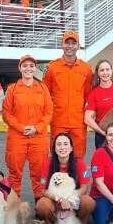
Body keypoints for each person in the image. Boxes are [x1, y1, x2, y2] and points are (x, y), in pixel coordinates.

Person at [2, 54, 53, 200]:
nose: (28, 69)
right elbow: (6, 113)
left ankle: (40, 208)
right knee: (15, 175)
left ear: (35, 68)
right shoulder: (13, 89)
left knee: (39, 175)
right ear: (19, 68)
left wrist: (37, 127)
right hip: (17, 137)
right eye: (25, 66)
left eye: (31, 66)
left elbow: (49, 112)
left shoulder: (43, 88)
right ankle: (14, 207)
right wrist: (21, 127)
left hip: (38, 137)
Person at [43, 31, 93, 159]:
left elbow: (88, 96)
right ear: (62, 45)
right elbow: (45, 94)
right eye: (67, 43)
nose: (70, 46)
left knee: (78, 157)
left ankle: (76, 180)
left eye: (73, 43)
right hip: (58, 121)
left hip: (78, 122)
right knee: (57, 156)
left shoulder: (86, 69)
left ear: (78, 46)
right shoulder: (52, 68)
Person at [35, 132, 96, 224]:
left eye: (65, 144)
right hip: (55, 201)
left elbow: (84, 188)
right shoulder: (48, 163)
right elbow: (43, 189)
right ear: (54, 148)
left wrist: (69, 199)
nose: (62, 147)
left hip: (73, 201)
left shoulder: (80, 163)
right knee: (42, 204)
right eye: (59, 144)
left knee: (88, 201)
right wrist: (60, 199)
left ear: (71, 148)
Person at [85, 59, 113, 148]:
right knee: (103, 161)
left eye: (107, 69)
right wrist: (103, 133)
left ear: (111, 71)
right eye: (102, 70)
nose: (105, 73)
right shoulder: (94, 93)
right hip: (102, 136)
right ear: (97, 73)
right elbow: (87, 119)